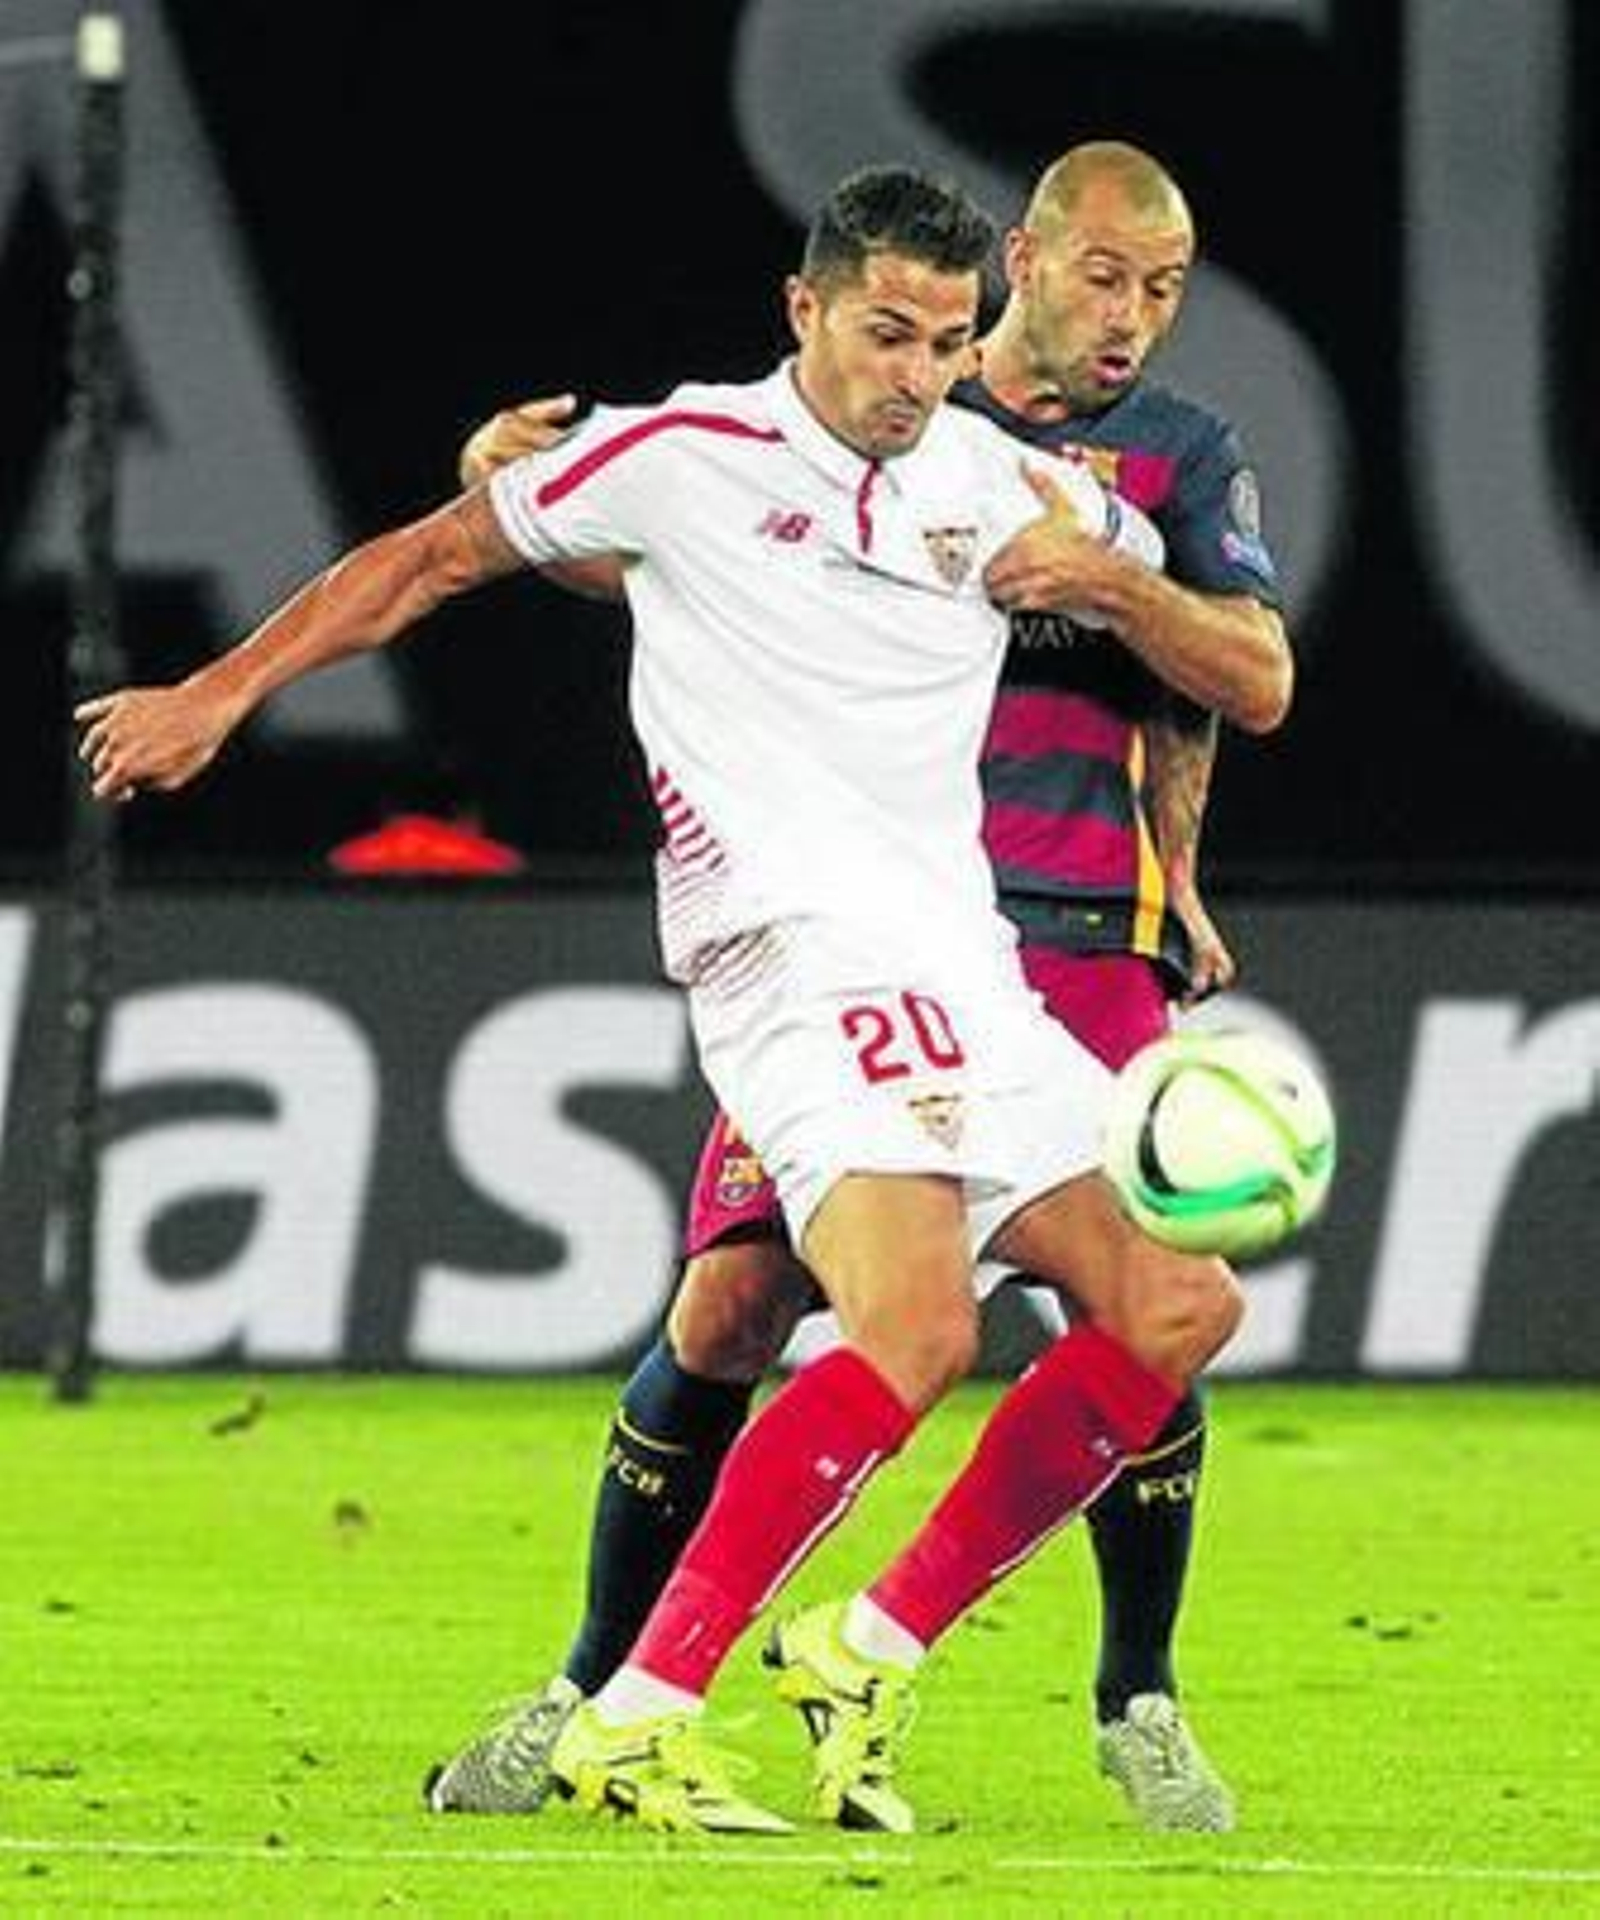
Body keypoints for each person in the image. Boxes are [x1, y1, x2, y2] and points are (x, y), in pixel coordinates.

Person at [76, 164, 1253, 1838]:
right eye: (885, 334)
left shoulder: (996, 483)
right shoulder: (684, 453)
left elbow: (1221, 654)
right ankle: (635, 1708)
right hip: (789, 953)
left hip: (967, 967)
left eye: (943, 341)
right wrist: (215, 694)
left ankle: (868, 1639)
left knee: (1177, 1307)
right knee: (902, 1324)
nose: (915, 375)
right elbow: (429, 561)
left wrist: (1125, 585)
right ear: (807, 312)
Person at [426, 141, 1289, 1833]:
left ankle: (1135, 1692)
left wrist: (1121, 601)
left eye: (1165, 288)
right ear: (1021, 268)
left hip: (1075, 937)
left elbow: (1250, 675)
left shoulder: (1175, 459)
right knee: (733, 1309)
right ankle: (602, 1683)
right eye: (1105, 278)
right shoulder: (856, 410)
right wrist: (512, 499)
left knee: (1149, 1313)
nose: (1132, 321)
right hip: (857, 934)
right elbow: (658, 542)